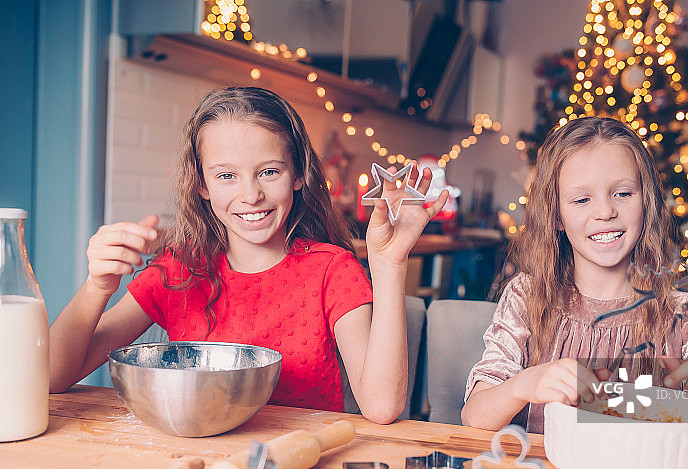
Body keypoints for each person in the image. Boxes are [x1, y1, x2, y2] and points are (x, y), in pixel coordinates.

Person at [49, 87, 447, 425]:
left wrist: (390, 264)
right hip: (196, 463)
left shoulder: (331, 270)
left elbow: (381, 407)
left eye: (269, 172)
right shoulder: (179, 269)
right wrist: (97, 287)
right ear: (202, 184)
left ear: (298, 174)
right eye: (226, 176)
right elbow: (52, 377)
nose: (251, 194)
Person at [461, 116, 688, 457]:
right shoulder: (527, 297)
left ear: (645, 203)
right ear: (557, 216)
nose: (605, 211)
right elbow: (475, 414)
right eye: (581, 200)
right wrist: (523, 384)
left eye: (622, 193)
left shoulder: (684, 316)